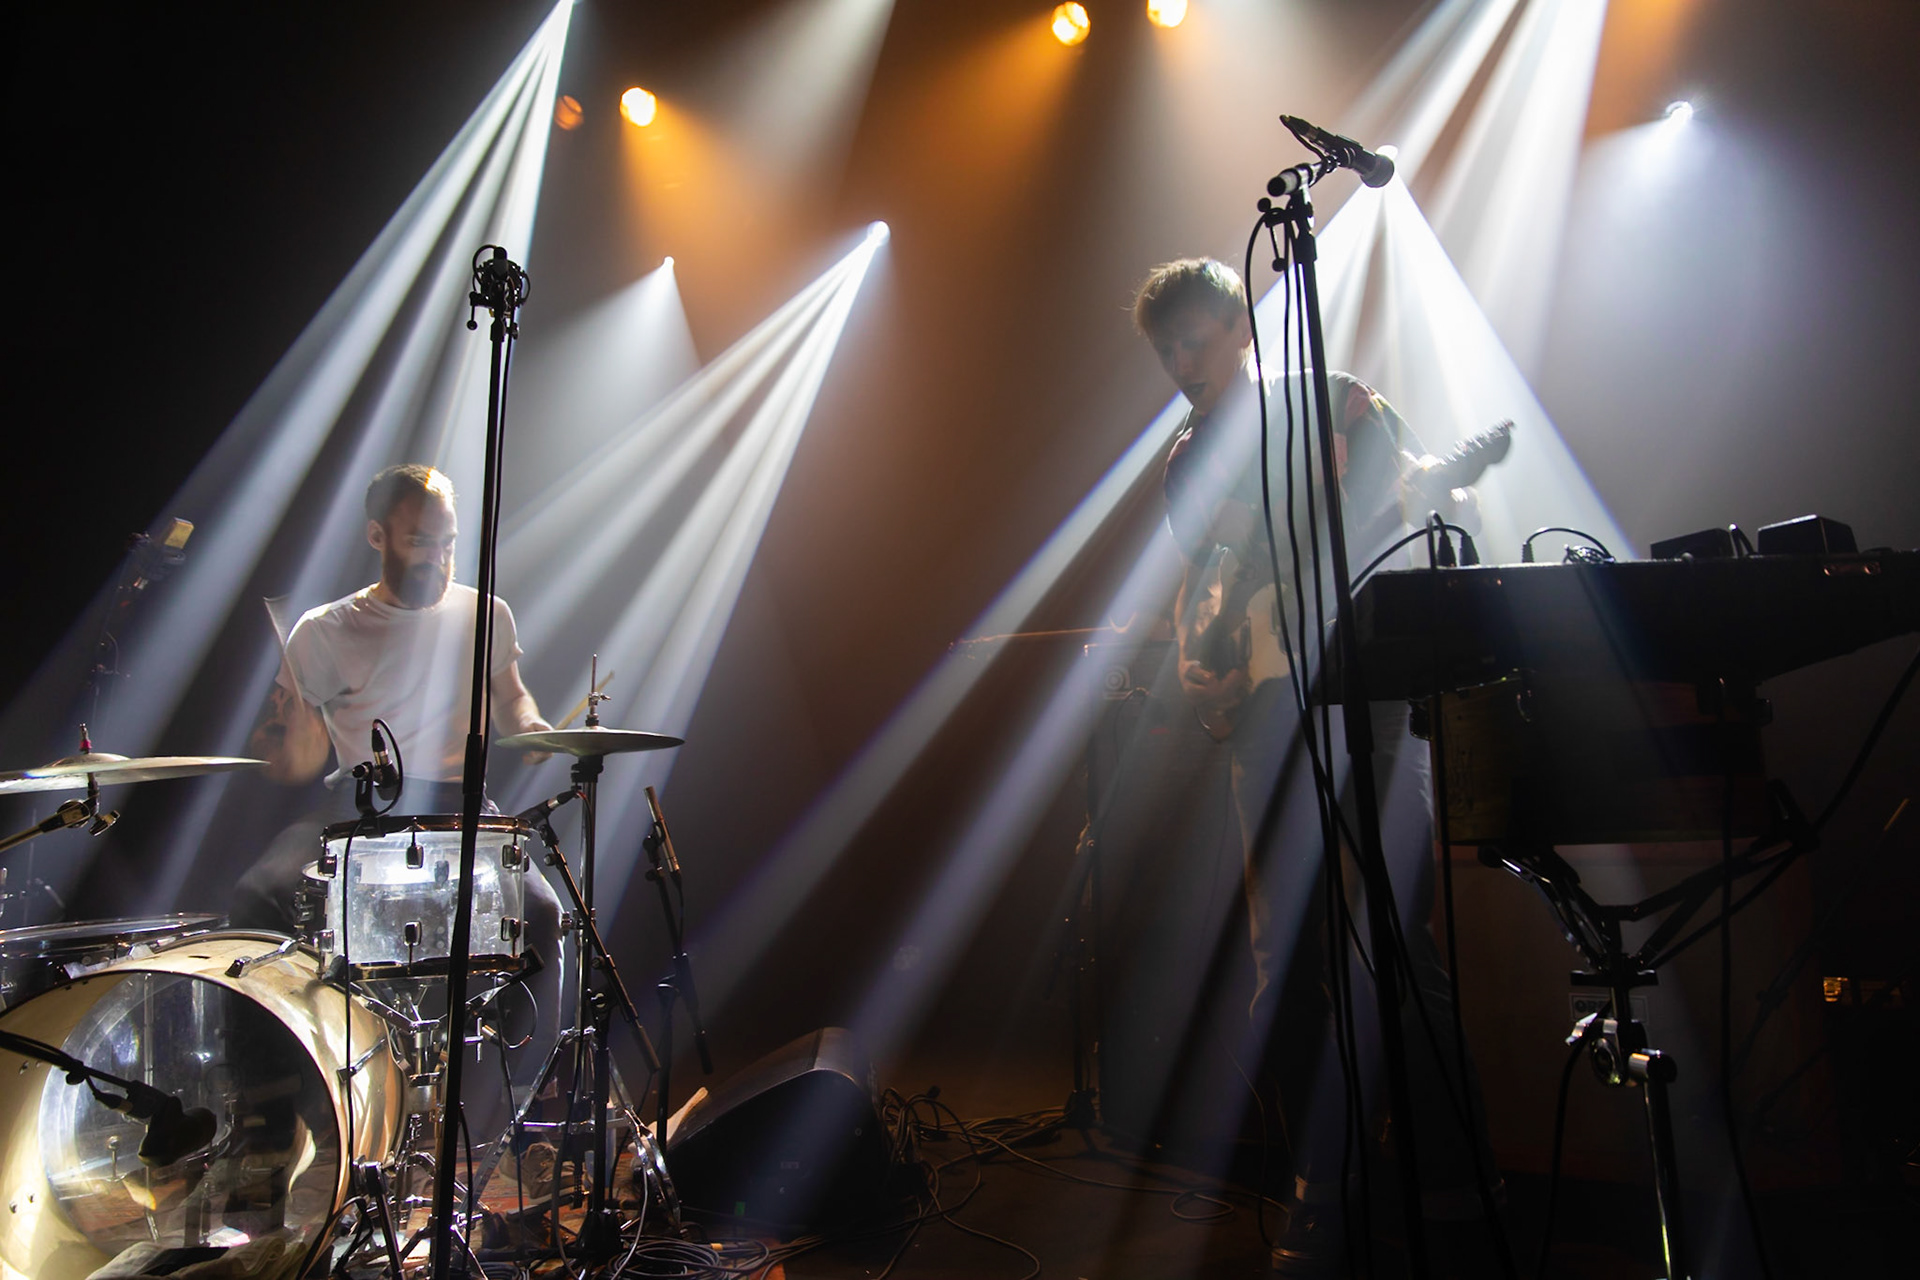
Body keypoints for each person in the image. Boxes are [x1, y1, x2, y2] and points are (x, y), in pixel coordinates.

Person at [1134, 259, 1500, 1275]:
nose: (1180, 361)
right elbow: (1210, 581)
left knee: (1397, 948)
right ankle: (1318, 1188)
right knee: (1283, 966)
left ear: (1242, 331)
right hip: (1264, 713)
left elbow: (1428, 507)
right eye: (1165, 349)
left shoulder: (1335, 402)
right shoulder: (1184, 462)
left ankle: (1458, 1192)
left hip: (1368, 697)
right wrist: (1196, 661)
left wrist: (1439, 488)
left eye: (1195, 339)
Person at [232, 464, 565, 1078]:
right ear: (376, 536)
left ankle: (514, 1095)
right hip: (358, 806)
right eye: (419, 541)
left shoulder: (486, 614)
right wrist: (288, 751)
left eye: (447, 542)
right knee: (258, 896)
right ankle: (277, 1092)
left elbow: (512, 697)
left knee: (541, 916)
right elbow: (303, 750)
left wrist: (531, 723)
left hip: (458, 805)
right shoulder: (325, 629)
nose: (438, 558)